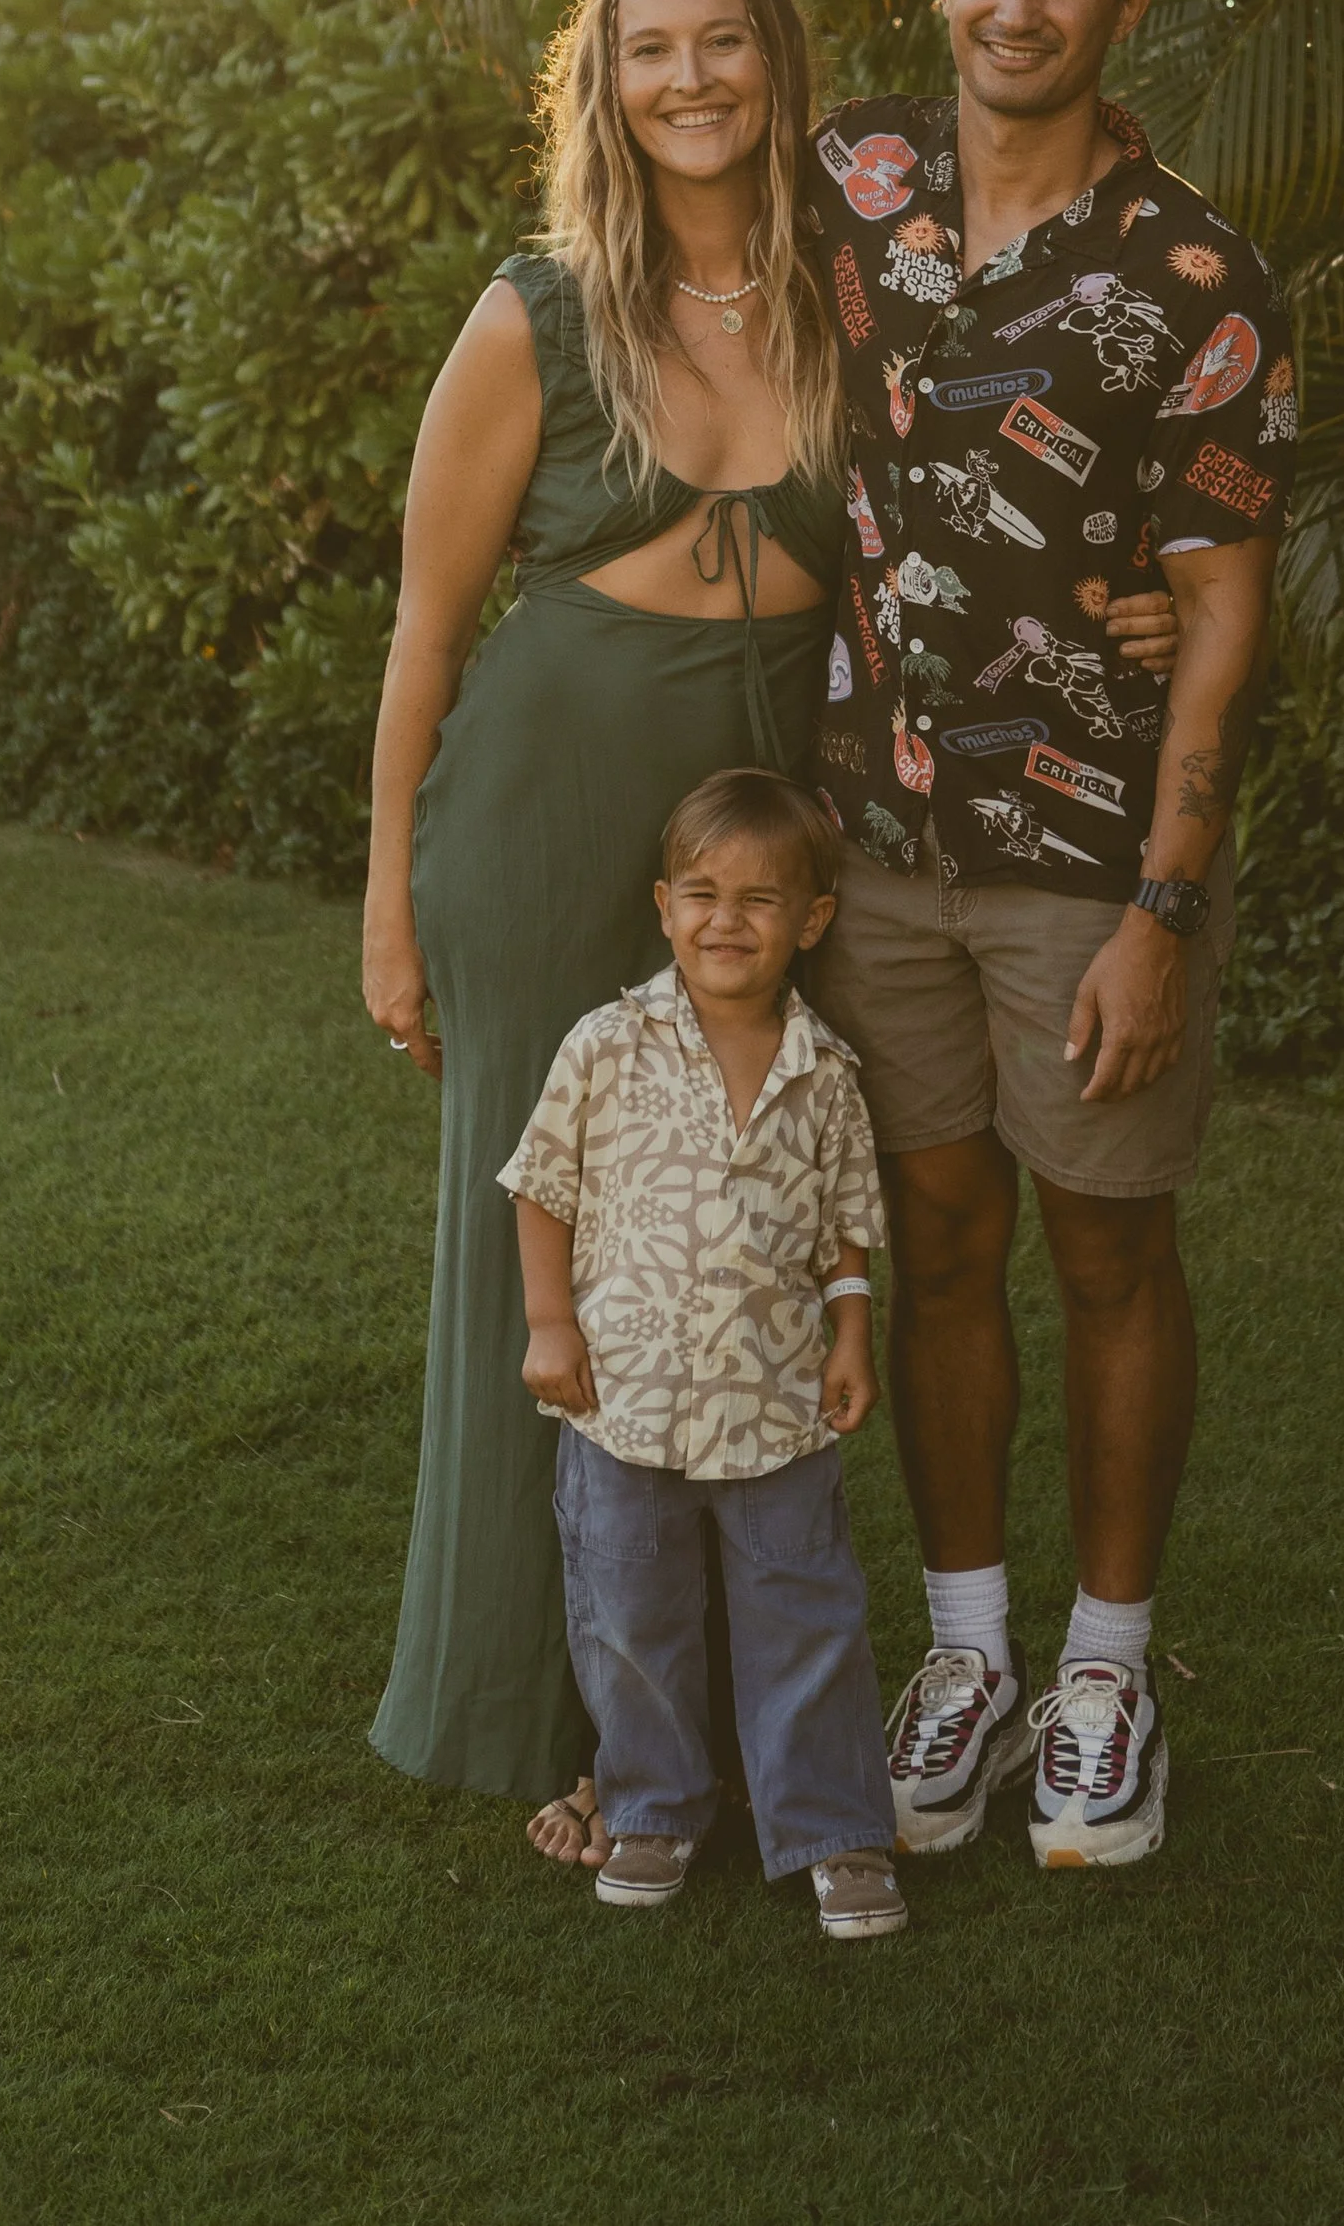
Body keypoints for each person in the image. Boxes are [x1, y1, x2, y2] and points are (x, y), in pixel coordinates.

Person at [359, 0, 1179, 1865]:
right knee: (555, 1243)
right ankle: (539, 1716)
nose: (691, 80)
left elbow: (1061, 328)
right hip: (552, 814)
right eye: (650, 50)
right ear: (602, 80)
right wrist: (388, 895)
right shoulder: (535, 313)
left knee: (732, 1246)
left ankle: (726, 1709)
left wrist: (1137, 591)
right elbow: (423, 620)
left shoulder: (857, 291)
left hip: (777, 837)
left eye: (724, 42)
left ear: (779, 66)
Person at [805, 0, 1290, 1871]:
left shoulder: (1192, 272)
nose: (1017, 4)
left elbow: (1227, 616)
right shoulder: (844, 185)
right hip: (865, 831)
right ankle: (968, 1653)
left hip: (1081, 849)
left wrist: (1163, 913)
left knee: (1105, 1247)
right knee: (932, 1245)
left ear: (1123, 9)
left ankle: (1104, 1667)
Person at [502, 768, 906, 1940]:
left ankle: (835, 1830)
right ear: (663, 905)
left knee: (804, 1610)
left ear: (811, 920)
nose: (726, 919)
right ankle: (652, 1808)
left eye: (760, 899)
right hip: (620, 1395)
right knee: (631, 1611)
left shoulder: (827, 1074)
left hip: (775, 1403)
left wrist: (851, 1334)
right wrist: (549, 1323)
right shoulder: (607, 1044)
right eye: (702, 894)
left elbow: (843, 1227)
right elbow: (542, 1187)